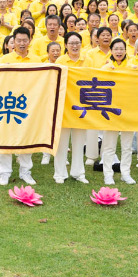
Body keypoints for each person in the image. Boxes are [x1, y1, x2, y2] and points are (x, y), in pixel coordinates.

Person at [0, 27, 37, 185]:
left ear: (29, 41)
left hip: (29, 105)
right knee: (6, 139)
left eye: (25, 40)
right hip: (8, 104)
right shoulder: (3, 60)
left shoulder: (37, 60)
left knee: (27, 138)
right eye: (18, 40)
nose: (22, 43)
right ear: (13, 42)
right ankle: (5, 172)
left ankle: (26, 171)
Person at [53, 32, 89, 184]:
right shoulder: (61, 61)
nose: (75, 46)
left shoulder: (88, 60)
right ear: (66, 45)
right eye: (71, 43)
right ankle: (59, 173)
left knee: (80, 141)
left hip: (81, 106)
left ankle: (78, 172)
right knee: (61, 142)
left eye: (77, 43)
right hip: (64, 105)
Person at [99, 38, 136, 185]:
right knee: (109, 145)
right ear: (111, 51)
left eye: (121, 49)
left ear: (125, 51)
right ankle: (108, 174)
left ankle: (125, 173)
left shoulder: (133, 67)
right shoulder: (105, 68)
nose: (119, 52)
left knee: (127, 145)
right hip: (111, 111)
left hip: (128, 111)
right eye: (116, 49)